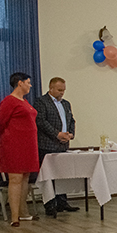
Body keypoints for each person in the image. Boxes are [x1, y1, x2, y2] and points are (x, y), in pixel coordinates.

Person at [0, 73, 40, 227]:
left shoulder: (25, 102)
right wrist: (4, 136)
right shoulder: (9, 101)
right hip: (15, 144)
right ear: (20, 83)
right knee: (15, 179)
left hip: (28, 144)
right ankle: (14, 217)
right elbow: (0, 123)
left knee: (25, 177)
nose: (30, 85)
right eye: (28, 82)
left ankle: (23, 212)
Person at [34, 76, 78, 216]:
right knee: (49, 176)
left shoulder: (65, 103)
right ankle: (50, 204)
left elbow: (71, 120)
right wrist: (57, 134)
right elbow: (41, 122)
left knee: (62, 174)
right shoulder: (41, 102)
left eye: (63, 90)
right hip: (47, 145)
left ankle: (62, 202)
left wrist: (70, 134)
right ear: (51, 88)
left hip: (63, 145)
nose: (62, 93)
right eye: (59, 90)